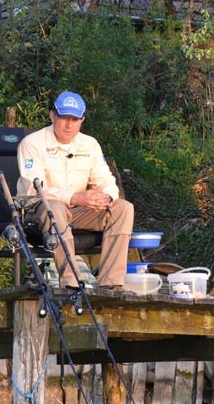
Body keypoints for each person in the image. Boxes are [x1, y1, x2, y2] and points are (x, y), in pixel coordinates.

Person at [16, 91, 134, 290]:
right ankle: (71, 283)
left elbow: (107, 181)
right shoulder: (32, 144)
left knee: (123, 208)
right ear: (52, 115)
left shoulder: (90, 144)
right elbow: (35, 189)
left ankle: (111, 285)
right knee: (55, 208)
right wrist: (75, 197)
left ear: (82, 120)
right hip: (38, 211)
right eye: (64, 118)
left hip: (77, 211)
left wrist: (105, 197)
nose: (69, 125)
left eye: (75, 119)